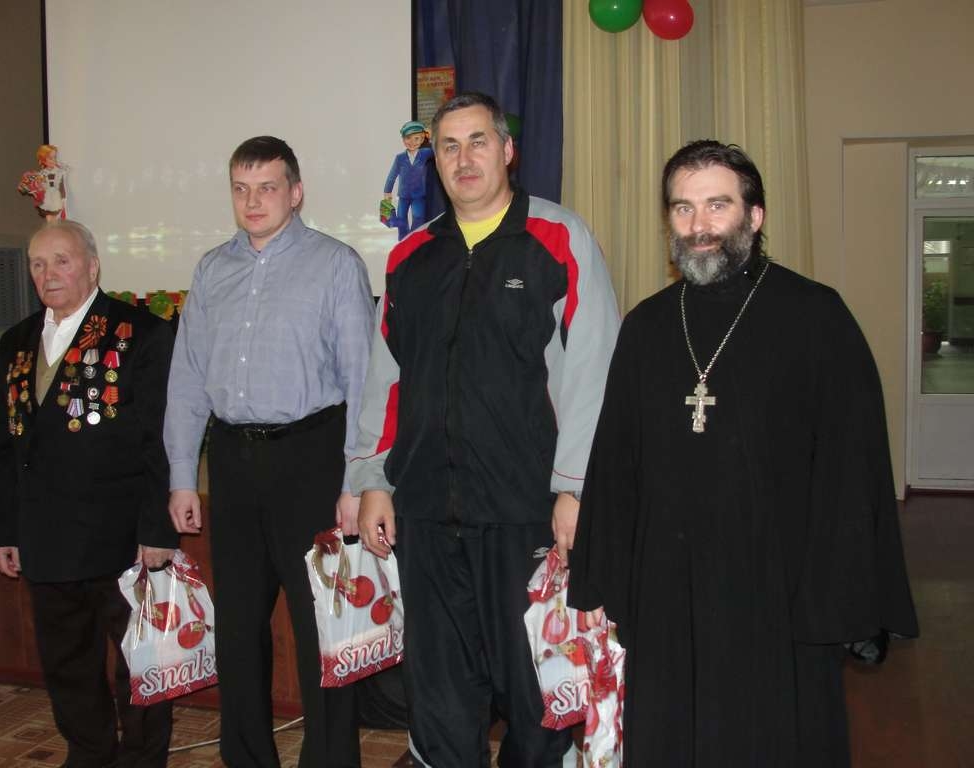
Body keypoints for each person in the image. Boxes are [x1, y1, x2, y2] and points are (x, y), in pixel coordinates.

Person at [567, 139, 920, 767]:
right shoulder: (647, 326)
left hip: (777, 588)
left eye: (717, 205)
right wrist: (604, 579)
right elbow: (617, 462)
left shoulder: (816, 317)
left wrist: (840, 598)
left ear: (755, 217)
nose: (699, 226)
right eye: (683, 208)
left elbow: (852, 468)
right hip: (668, 586)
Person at [351, 92, 620, 768]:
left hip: (525, 509)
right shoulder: (410, 257)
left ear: (507, 150)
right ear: (434, 161)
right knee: (439, 683)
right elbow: (386, 379)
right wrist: (372, 479)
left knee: (532, 685)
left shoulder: (558, 239)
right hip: (425, 510)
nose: (463, 158)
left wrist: (575, 488)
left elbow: (595, 370)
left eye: (478, 142)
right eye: (449, 146)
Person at [165, 136, 373, 767]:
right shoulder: (212, 270)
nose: (252, 201)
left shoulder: (335, 264)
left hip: (311, 460)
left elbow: (363, 381)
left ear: (296, 192)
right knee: (237, 629)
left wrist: (357, 482)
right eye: (241, 188)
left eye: (267, 188)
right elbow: (187, 380)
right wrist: (182, 475)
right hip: (232, 462)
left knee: (322, 629)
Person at [0, 219, 176, 767]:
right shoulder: (16, 342)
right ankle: (89, 753)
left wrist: (157, 530)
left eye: (61, 261)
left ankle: (141, 760)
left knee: (140, 662)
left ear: (92, 266)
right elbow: (2, 445)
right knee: (66, 663)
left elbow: (161, 441)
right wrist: (5, 529)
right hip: (45, 536)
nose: (49, 274)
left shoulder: (140, 333)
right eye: (38, 264)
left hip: (122, 539)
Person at [382, 120, 434, 240]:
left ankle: (413, 238)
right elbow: (392, 175)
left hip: (419, 195)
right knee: (401, 218)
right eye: (408, 138)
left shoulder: (426, 153)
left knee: (419, 216)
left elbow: (438, 149)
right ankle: (403, 239)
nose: (412, 142)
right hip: (404, 195)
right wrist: (387, 191)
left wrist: (431, 137)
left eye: (416, 138)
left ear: (422, 139)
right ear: (403, 139)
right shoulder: (399, 158)